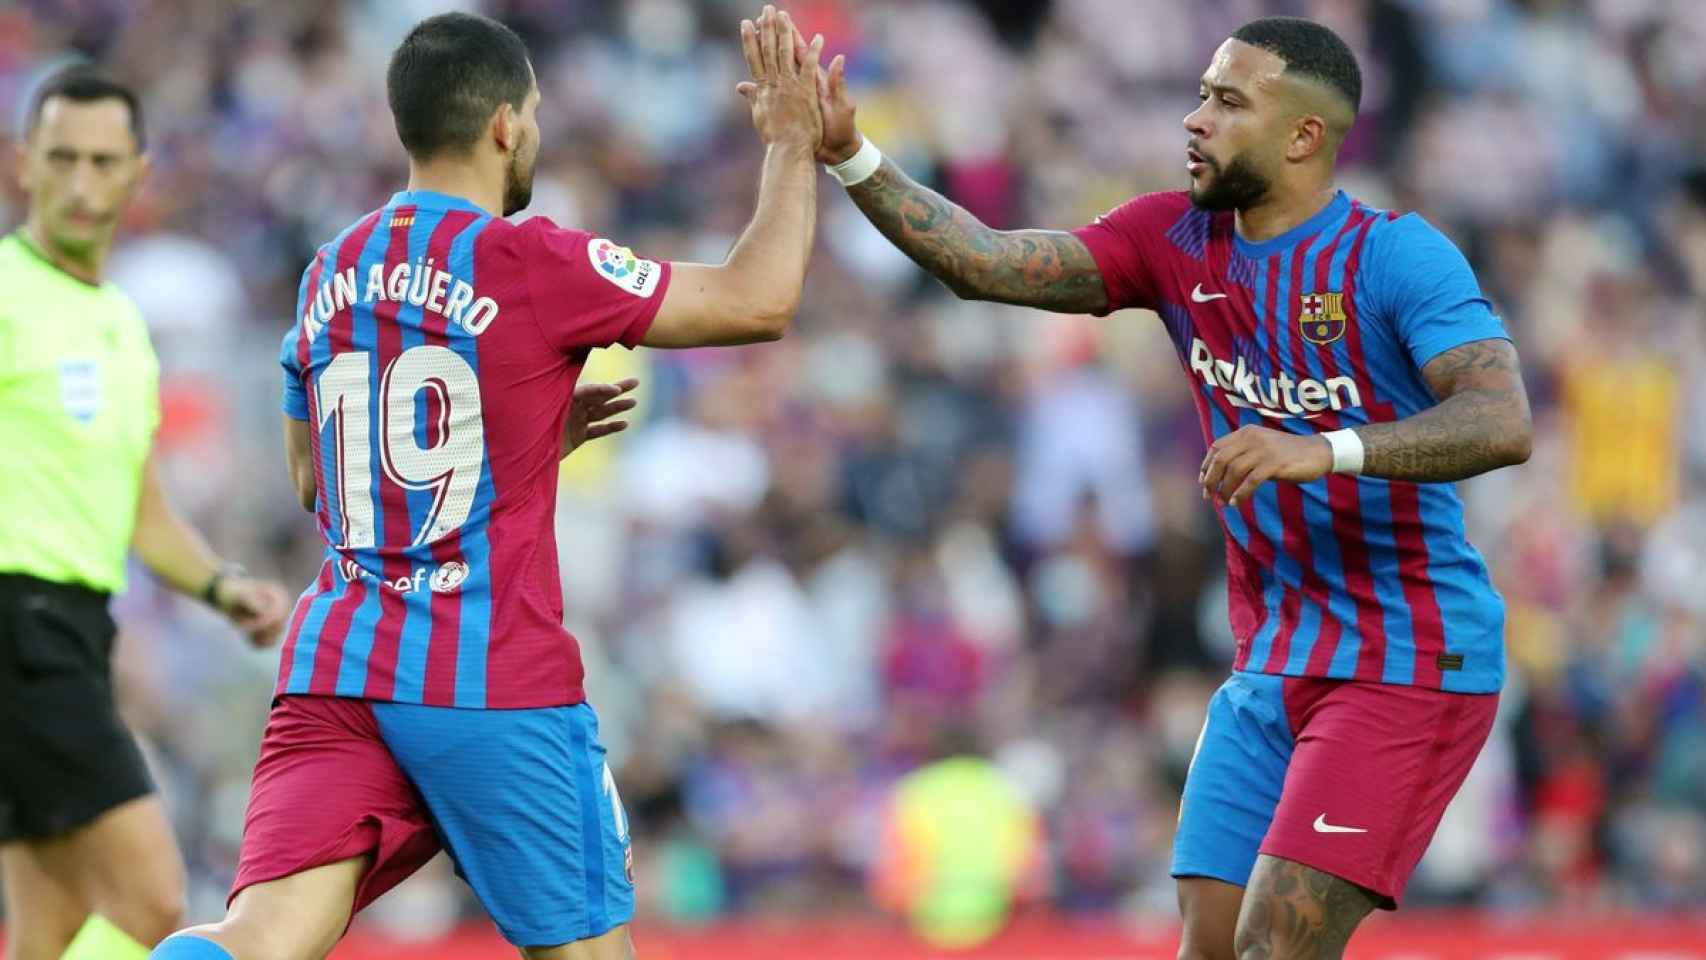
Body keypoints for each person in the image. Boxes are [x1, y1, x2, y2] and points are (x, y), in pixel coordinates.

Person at [810, 16, 1531, 960]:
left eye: (1228, 103)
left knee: (1279, 945)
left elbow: (1501, 419)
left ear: (1303, 136)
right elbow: (986, 263)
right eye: (1199, 94)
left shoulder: (1395, 257)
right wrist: (851, 155)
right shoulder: (1171, 238)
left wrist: (1327, 449)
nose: (1194, 120)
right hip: (1272, 661)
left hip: (1408, 659)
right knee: (1212, 949)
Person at [151, 6, 822, 959]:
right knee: (587, 953)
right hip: (489, 675)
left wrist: (525, 440)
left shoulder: (327, 269)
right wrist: (793, 145)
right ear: (506, 123)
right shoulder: (530, 258)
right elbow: (759, 300)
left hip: (338, 670)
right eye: (536, 114)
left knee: (255, 939)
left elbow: (319, 481)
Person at [0, 66, 293, 960]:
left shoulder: (123, 325)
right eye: (62, 159)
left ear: (139, 173)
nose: (82, 184)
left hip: (77, 633)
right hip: (17, 622)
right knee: (151, 894)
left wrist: (220, 585)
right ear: (26, 165)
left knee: (48, 927)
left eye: (103, 161)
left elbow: (141, 507)